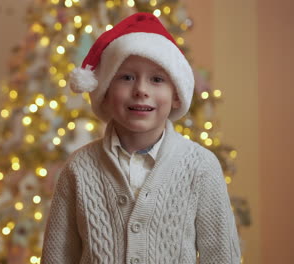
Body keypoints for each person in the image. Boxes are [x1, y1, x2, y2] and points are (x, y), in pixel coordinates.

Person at [41, 12, 241, 264]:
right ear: (104, 91)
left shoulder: (201, 167)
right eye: (126, 77)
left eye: (157, 79)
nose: (141, 91)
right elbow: (57, 256)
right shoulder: (79, 168)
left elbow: (221, 256)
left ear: (176, 94)